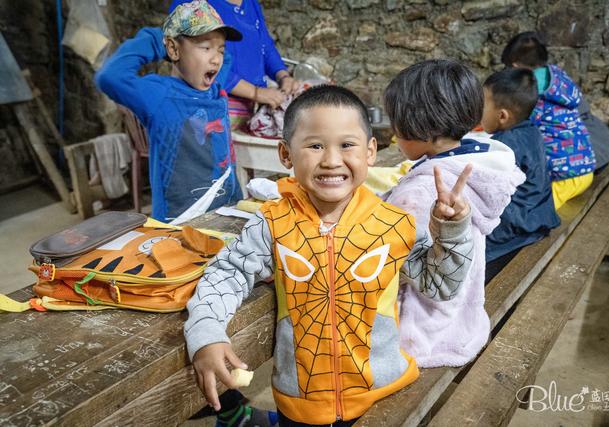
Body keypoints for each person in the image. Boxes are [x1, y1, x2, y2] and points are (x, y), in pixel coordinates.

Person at [184, 85, 476, 426]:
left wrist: (452, 230)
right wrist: (205, 334)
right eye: (315, 145)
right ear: (286, 154)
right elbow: (226, 273)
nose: (332, 160)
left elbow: (441, 285)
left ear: (370, 152)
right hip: (300, 405)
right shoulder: (271, 223)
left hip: (384, 394)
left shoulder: (394, 223)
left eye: (347, 145)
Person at [382, 59, 526, 367]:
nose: (393, 130)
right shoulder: (476, 164)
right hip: (460, 321)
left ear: (421, 125)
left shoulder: (421, 192)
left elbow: (393, 264)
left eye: (396, 121)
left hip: (417, 333)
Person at [95, 0, 245, 222]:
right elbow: (110, 76)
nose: (216, 58)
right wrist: (160, 41)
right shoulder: (159, 96)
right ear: (173, 48)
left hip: (227, 208)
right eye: (205, 48)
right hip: (180, 222)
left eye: (220, 50)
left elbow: (228, 58)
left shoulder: (215, 87)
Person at [480, 68, 561, 282]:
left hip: (511, 234)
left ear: (502, 115)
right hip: (537, 221)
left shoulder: (505, 146)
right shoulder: (532, 132)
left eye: (483, 105)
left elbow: (487, 193)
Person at [168, 0, 301, 128]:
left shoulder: (251, 3)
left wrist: (282, 75)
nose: (217, 57)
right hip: (211, 108)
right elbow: (196, 63)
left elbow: (264, 45)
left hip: (249, 111)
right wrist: (256, 93)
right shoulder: (192, 4)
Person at [502, 31, 596, 209]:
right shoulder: (557, 77)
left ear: (514, 66)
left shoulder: (528, 89)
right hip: (584, 169)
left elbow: (515, 126)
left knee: (534, 213)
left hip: (566, 176)